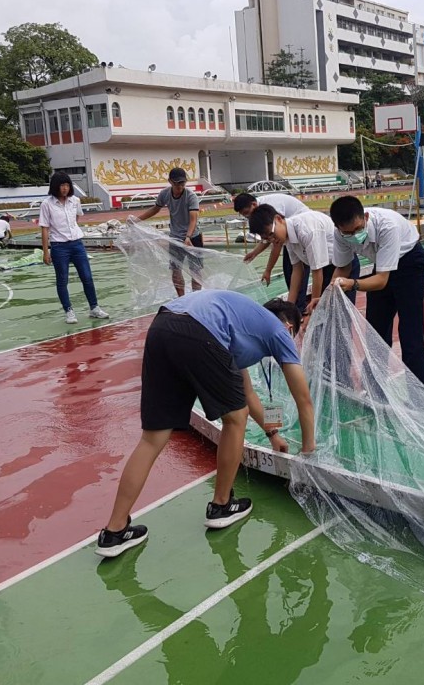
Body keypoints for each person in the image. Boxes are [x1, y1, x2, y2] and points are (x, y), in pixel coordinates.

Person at [95, 291, 315, 557]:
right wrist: (308, 452)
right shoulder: (278, 332)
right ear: (289, 326)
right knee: (236, 418)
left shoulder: (240, 324)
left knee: (153, 437)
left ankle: (114, 532)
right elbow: (303, 399)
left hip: (162, 326)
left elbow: (247, 392)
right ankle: (222, 505)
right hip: (197, 331)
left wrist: (273, 434)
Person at [327, 196, 424, 389]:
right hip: (381, 265)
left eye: (358, 229)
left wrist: (352, 284)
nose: (354, 234)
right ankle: (374, 390)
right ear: (338, 227)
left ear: (365, 217)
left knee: (410, 334)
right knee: (375, 332)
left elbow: (382, 281)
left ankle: (420, 400)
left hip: (409, 263)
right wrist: (330, 291)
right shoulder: (340, 234)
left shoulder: (387, 226)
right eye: (348, 232)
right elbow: (342, 267)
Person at [247, 204, 360, 312]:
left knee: (340, 314)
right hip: (326, 268)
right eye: (266, 239)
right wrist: (289, 308)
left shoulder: (306, 230)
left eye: (271, 234)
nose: (272, 240)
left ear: (278, 219)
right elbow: (297, 271)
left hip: (344, 265)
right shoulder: (287, 238)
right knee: (325, 317)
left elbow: (317, 272)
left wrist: (314, 309)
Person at [39, 172, 110, 324]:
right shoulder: (47, 204)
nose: (64, 189)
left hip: (77, 244)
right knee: (62, 280)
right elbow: (44, 228)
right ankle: (69, 311)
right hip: (59, 246)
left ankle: (94, 308)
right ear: (55, 187)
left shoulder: (75, 201)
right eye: (61, 185)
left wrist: (72, 230)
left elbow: (76, 218)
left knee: (87, 277)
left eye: (67, 185)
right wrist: (46, 251)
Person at [233, 191, 311, 308]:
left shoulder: (271, 210)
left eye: (247, 213)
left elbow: (276, 242)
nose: (248, 217)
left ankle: (298, 309)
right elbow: (268, 238)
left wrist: (268, 270)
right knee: (290, 271)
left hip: (304, 233)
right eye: (244, 216)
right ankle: (294, 307)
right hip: (290, 235)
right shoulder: (262, 214)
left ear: (253, 204)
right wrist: (254, 253)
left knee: (298, 273)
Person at [135, 167, 202, 296]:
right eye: (177, 184)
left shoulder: (191, 196)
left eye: (182, 183)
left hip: (193, 236)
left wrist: (188, 237)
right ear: (170, 182)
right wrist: (137, 220)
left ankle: (196, 297)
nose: (180, 187)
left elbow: (193, 219)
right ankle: (181, 298)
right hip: (175, 237)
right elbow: (155, 209)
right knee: (176, 269)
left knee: (196, 270)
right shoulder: (165, 194)